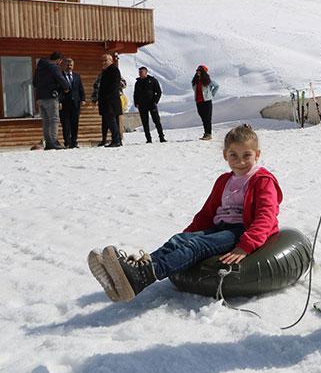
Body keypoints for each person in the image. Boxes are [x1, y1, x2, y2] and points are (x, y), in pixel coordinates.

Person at [87, 124, 282, 302]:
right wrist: (187, 233)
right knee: (178, 240)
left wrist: (246, 246)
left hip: (240, 231)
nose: (240, 161)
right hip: (219, 227)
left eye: (246, 155)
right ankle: (135, 270)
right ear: (225, 155)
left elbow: (266, 215)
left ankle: (145, 275)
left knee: (196, 246)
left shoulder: (262, 180)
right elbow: (207, 213)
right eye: (234, 155)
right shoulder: (224, 180)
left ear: (257, 154)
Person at [33, 52, 70, 150]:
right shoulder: (54, 67)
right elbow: (60, 79)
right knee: (54, 119)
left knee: (46, 121)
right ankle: (53, 142)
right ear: (59, 60)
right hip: (51, 97)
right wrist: (66, 87)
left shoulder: (39, 68)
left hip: (40, 97)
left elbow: (34, 83)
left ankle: (48, 142)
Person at [133, 66, 166, 143]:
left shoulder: (152, 80)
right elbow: (135, 94)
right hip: (142, 105)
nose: (140, 73)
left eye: (141, 72)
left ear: (146, 72)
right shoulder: (137, 82)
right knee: (145, 122)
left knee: (157, 121)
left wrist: (155, 101)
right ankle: (148, 139)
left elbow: (159, 92)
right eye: (139, 72)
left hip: (151, 104)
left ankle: (161, 137)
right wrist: (136, 103)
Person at [59, 58, 86, 148]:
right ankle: (67, 142)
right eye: (67, 65)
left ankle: (74, 142)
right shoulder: (60, 76)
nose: (69, 67)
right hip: (64, 104)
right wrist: (59, 101)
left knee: (74, 123)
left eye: (71, 65)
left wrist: (83, 99)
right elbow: (58, 90)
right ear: (64, 66)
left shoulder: (76, 76)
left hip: (75, 104)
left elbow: (80, 88)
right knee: (66, 124)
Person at [97, 53, 123, 147]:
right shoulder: (106, 71)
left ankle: (116, 140)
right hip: (107, 101)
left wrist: (107, 98)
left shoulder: (114, 70)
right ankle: (116, 140)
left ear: (111, 61)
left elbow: (114, 86)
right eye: (102, 61)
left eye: (105, 60)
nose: (103, 62)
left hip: (111, 101)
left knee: (112, 121)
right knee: (110, 121)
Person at [192, 64, 219, 140]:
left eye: (199, 70)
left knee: (207, 118)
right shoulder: (195, 81)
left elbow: (216, 86)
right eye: (197, 70)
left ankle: (208, 134)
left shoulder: (208, 80)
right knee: (203, 118)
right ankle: (206, 133)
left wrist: (211, 95)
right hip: (198, 101)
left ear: (203, 72)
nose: (198, 72)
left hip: (207, 101)